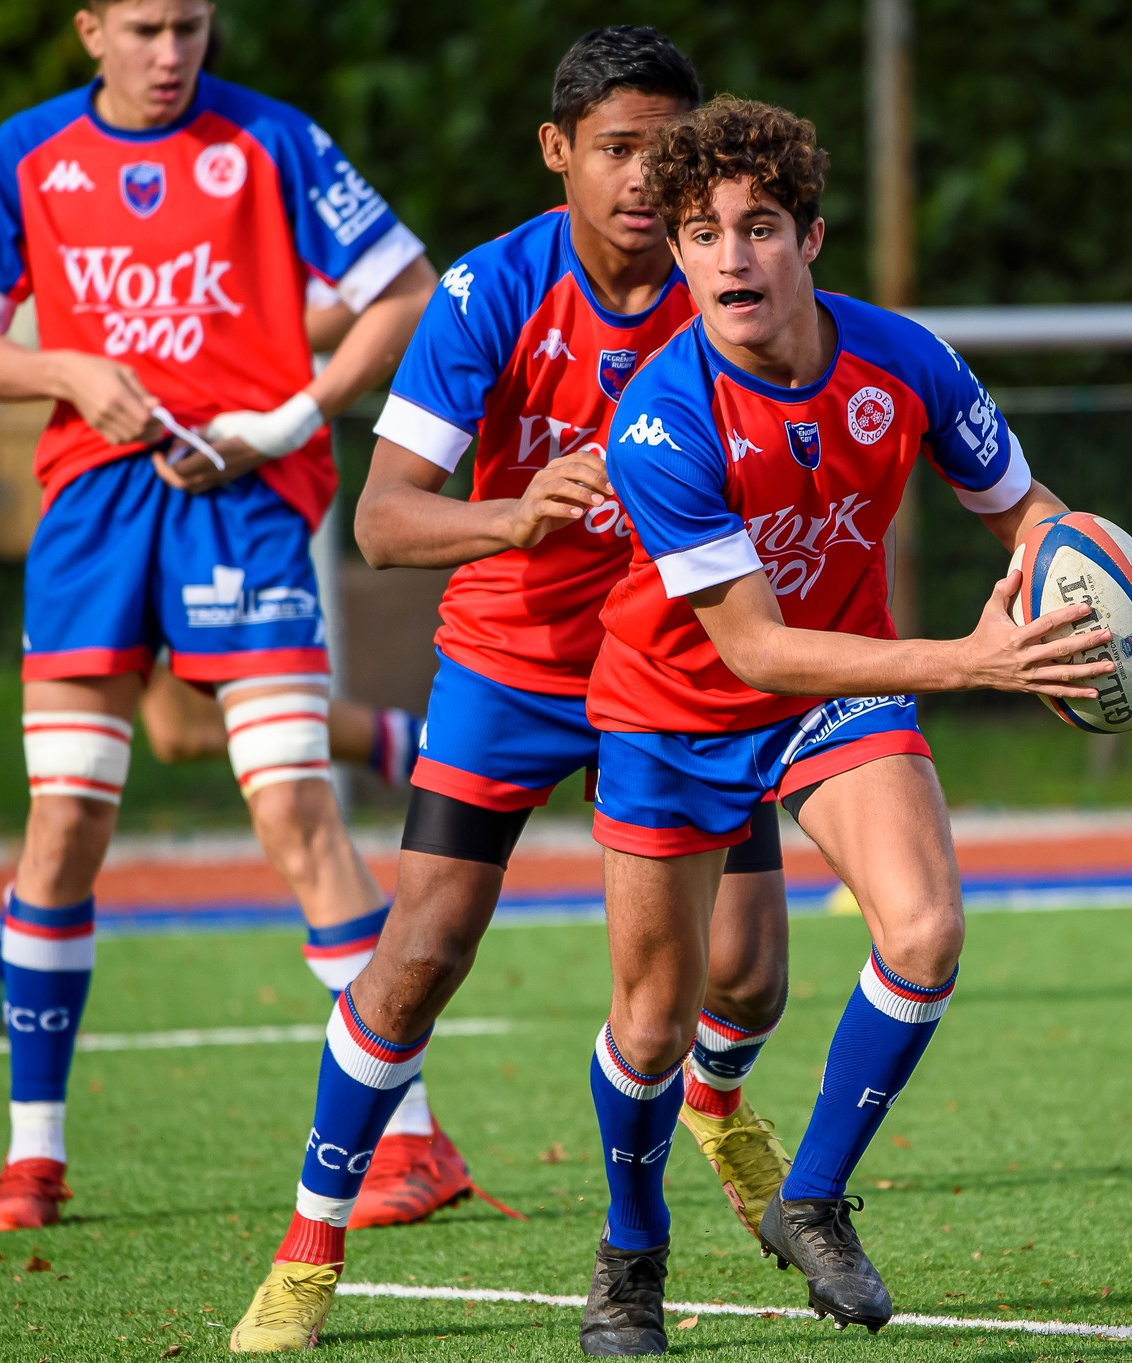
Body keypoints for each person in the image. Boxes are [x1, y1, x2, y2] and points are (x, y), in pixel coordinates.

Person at [571, 98, 1132, 1355]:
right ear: (677, 256)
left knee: (924, 927)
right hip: (676, 709)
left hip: (837, 695)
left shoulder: (905, 361)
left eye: (757, 228)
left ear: (810, 238)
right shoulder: (658, 418)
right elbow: (747, 646)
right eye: (699, 234)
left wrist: (1102, 584)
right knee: (659, 1015)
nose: (729, 258)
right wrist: (969, 660)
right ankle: (631, 1253)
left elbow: (1025, 514)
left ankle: (812, 1198)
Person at [225, 30, 799, 1354]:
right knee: (419, 954)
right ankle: (309, 1248)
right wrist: (517, 512)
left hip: (678, 660)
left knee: (750, 975)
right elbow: (381, 519)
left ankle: (714, 1100)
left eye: (667, 149)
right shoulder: (489, 291)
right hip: (512, 661)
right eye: (614, 150)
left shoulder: (735, 291)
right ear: (558, 154)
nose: (644, 180)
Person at [0, 0, 478, 1236]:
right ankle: (32, 1158)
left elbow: (405, 287)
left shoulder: (272, 140)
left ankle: (413, 1136)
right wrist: (65, 369)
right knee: (62, 822)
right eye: (144, 28)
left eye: (188, 26)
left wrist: (287, 417)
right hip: (89, 514)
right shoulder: (25, 154)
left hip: (245, 507)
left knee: (290, 808)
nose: (170, 53)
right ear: (89, 30)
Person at [0, 669, 422, 1039]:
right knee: (171, 734)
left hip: (189, 528)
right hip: (120, 530)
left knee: (286, 791)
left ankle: (407, 1124)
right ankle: (31, 1134)